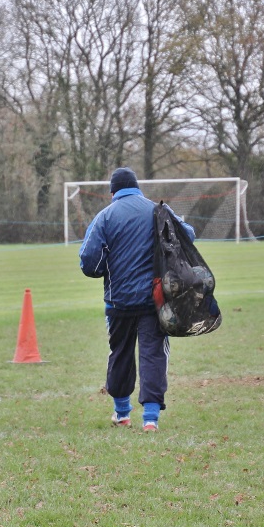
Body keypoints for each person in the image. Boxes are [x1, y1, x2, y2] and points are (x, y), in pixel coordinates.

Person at [79, 167, 195, 432]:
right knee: (153, 354)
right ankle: (150, 419)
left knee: (120, 353)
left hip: (118, 301)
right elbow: (188, 235)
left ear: (113, 192)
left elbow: (88, 261)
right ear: (137, 188)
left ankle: (122, 414)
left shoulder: (104, 217)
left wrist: (104, 269)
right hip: (154, 301)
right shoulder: (158, 211)